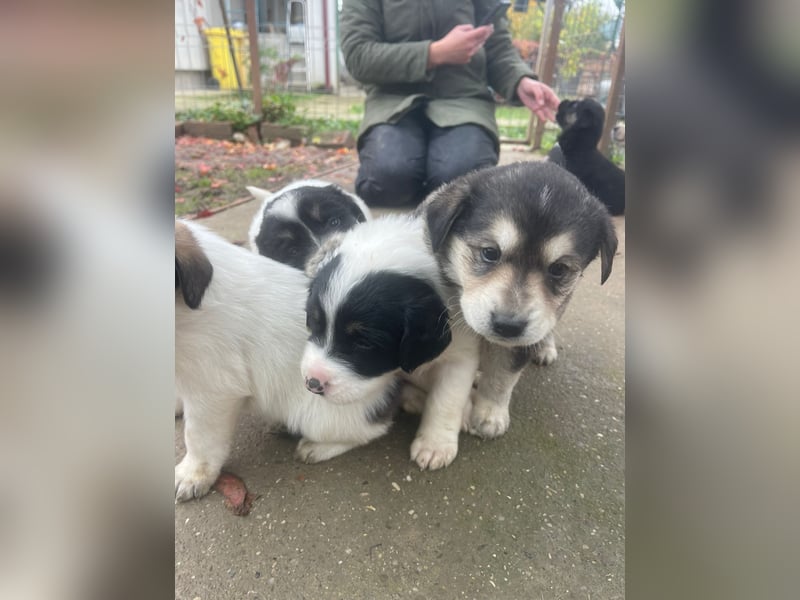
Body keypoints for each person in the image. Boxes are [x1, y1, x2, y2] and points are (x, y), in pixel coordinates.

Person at [341, 0, 560, 207]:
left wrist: (519, 80)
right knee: (387, 178)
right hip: (393, 103)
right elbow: (358, 54)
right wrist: (434, 54)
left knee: (462, 179)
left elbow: (496, 45)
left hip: (463, 101)